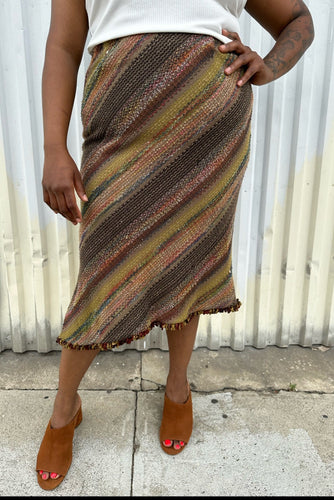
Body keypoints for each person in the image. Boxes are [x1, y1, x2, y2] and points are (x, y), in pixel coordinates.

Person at [37, 0, 314, 490]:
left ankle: (178, 387)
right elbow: (63, 45)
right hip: (118, 129)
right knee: (102, 273)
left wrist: (269, 66)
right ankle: (64, 410)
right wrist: (54, 149)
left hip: (210, 133)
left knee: (192, 260)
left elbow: (299, 20)